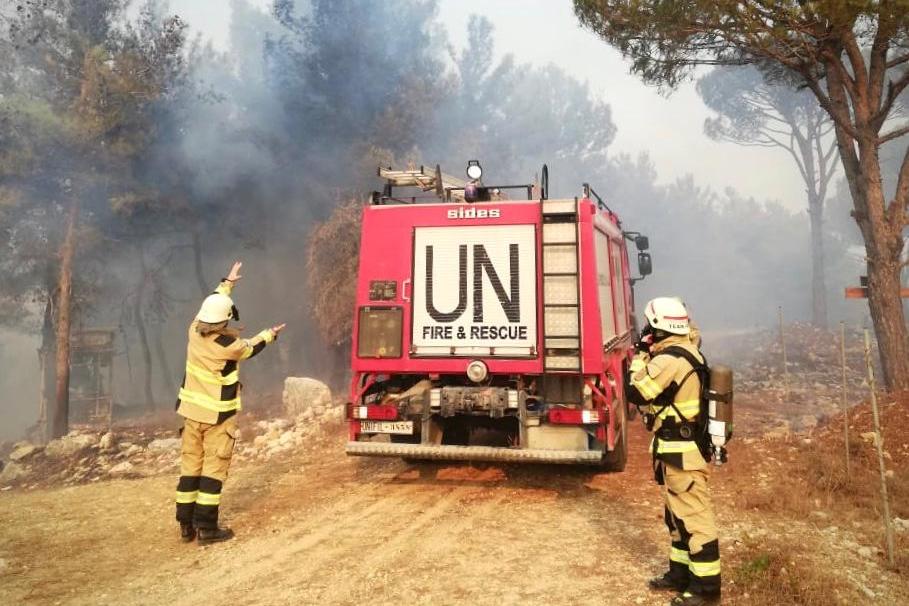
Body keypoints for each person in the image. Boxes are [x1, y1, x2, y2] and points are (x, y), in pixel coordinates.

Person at [174, 261, 285, 545]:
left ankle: (186, 525)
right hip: (217, 418)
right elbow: (251, 347)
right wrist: (270, 334)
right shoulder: (229, 347)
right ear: (224, 322)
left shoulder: (192, 330)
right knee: (213, 471)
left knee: (190, 468)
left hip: (191, 415)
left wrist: (227, 283)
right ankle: (207, 529)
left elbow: (211, 305)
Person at [626, 297, 720, 606]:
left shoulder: (669, 360)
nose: (647, 331)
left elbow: (636, 391)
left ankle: (706, 590)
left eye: (650, 326)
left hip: (682, 453)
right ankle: (679, 575)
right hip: (676, 449)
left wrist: (640, 354)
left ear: (659, 327)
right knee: (677, 518)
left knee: (694, 519)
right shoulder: (686, 349)